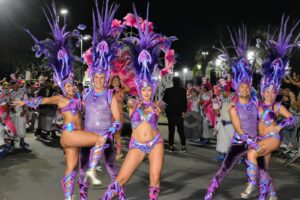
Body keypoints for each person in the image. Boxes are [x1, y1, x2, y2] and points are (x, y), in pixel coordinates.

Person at [16, 4, 108, 199]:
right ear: (61, 86)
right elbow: (43, 100)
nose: (70, 87)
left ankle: (68, 196)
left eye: (71, 84)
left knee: (71, 167)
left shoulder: (78, 96)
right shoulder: (60, 98)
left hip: (75, 135)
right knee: (100, 139)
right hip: (70, 134)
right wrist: (25, 103)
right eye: (66, 85)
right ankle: (92, 169)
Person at [101, 4, 177, 199]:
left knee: (155, 178)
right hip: (137, 144)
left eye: (148, 89)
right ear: (139, 89)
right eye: (142, 89)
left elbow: (159, 103)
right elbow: (119, 94)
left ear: (152, 90)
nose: (145, 91)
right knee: (122, 178)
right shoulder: (132, 103)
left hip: (156, 142)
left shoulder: (158, 105)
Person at [241, 16, 298, 200]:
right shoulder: (257, 103)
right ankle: (271, 193)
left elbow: (293, 119)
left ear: (276, 92)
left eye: (273, 91)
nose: (270, 94)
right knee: (264, 168)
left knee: (251, 153)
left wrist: (278, 126)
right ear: (263, 90)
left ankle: (251, 183)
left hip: (273, 137)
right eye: (267, 91)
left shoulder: (277, 105)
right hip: (261, 138)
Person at [205, 26, 263, 200]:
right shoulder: (233, 107)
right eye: (241, 87)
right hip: (240, 142)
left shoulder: (255, 103)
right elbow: (238, 128)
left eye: (247, 86)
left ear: (249, 88)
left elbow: (264, 117)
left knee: (262, 167)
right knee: (225, 168)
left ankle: (264, 191)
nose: (244, 89)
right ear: (237, 89)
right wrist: (248, 139)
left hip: (254, 141)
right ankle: (211, 190)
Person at [77, 2, 123, 199]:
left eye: (101, 77)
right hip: (87, 137)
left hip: (105, 137)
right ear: (92, 76)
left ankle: (120, 195)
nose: (98, 79)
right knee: (83, 169)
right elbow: (79, 113)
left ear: (105, 78)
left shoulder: (110, 95)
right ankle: (83, 196)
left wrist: (108, 133)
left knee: (112, 170)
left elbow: (118, 120)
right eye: (96, 76)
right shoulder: (86, 94)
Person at [163, 77, 187, 152]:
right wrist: (184, 111)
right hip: (179, 113)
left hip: (170, 113)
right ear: (179, 82)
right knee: (181, 130)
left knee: (171, 130)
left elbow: (164, 101)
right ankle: (183, 146)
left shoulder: (168, 90)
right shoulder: (183, 90)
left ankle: (171, 146)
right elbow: (184, 102)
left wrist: (164, 111)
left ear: (173, 82)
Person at [108, 75, 130, 160]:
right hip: (110, 115)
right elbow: (105, 88)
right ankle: (110, 150)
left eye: (116, 80)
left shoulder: (122, 91)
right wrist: (110, 81)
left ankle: (119, 152)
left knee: (117, 135)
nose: (115, 82)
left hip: (119, 116)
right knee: (110, 134)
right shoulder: (109, 91)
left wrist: (122, 81)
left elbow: (128, 89)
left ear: (119, 82)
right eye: (114, 81)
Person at [214, 79, 235, 161]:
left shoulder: (235, 97)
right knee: (222, 140)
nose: (221, 93)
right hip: (223, 123)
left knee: (233, 141)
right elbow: (219, 112)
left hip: (232, 124)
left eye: (223, 91)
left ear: (227, 89)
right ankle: (223, 155)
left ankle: (238, 156)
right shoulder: (222, 98)